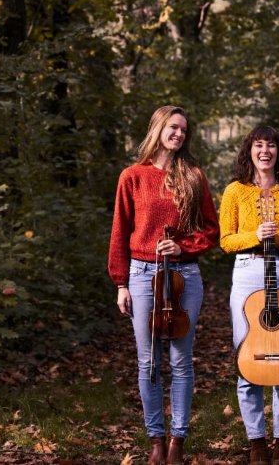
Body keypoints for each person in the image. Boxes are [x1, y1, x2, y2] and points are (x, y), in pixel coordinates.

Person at [108, 105, 219, 465]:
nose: (179, 134)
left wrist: (184, 245)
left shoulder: (193, 176)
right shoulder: (132, 176)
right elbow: (120, 232)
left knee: (182, 361)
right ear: (158, 128)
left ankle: (177, 441)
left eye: (184, 130)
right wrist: (121, 283)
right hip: (142, 274)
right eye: (173, 127)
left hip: (184, 275)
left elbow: (210, 230)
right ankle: (156, 439)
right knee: (149, 362)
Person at [218, 125, 279, 465]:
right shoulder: (234, 191)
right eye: (259, 145)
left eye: (271, 145)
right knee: (249, 360)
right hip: (248, 273)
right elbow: (225, 240)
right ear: (249, 151)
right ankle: (257, 441)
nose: (265, 151)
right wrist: (253, 234)